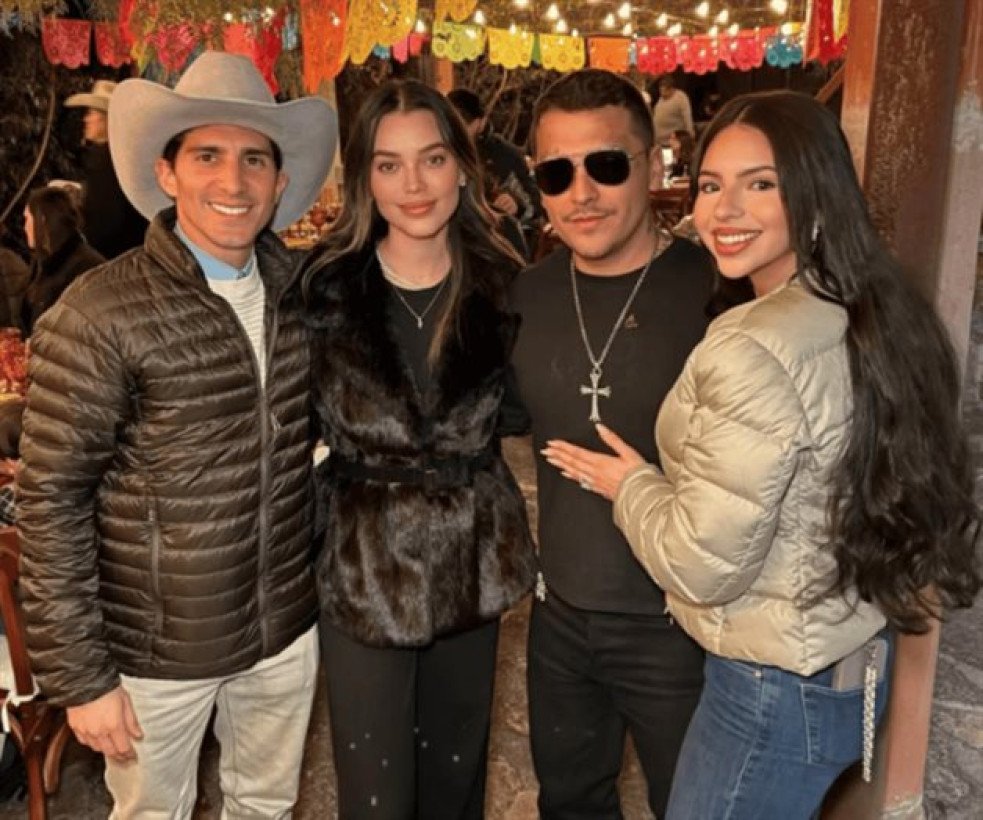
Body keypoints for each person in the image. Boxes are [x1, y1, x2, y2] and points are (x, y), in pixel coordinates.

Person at [540, 90, 981, 818]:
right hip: (840, 661)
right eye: (712, 185)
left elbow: (702, 563)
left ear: (814, 193)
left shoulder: (754, 345)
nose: (725, 210)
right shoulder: (861, 307)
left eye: (761, 184)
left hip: (769, 688)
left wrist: (632, 485)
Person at [17, 52, 338, 818]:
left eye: (254, 159)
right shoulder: (100, 313)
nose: (233, 181)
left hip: (282, 633)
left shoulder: (304, 299)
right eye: (207, 155)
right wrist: (82, 679)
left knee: (265, 806)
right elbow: (51, 502)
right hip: (155, 655)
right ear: (167, 173)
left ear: (280, 181)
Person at [301, 79, 536, 820]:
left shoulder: (506, 283)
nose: (413, 185)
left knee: (455, 784)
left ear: (462, 167)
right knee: (375, 793)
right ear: (365, 178)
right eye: (389, 164)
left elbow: (527, 409)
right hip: (360, 562)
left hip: (473, 557)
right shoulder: (323, 287)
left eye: (432, 159)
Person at [510, 68, 720, 819]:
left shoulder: (718, 291)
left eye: (605, 165)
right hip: (560, 614)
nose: (582, 194)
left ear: (651, 164)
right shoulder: (526, 295)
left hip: (681, 624)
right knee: (569, 803)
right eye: (556, 173)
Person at [447, 87, 544, 250]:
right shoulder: (435, 153)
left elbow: (536, 201)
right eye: (450, 125)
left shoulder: (504, 155)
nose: (456, 133)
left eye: (464, 124)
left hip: (495, 243)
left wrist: (516, 203)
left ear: (481, 122)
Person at [64, 79, 148, 259]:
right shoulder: (114, 155)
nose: (86, 119)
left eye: (92, 113)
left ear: (107, 119)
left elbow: (107, 221)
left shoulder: (109, 160)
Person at [19, 186, 104, 335]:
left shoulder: (86, 267)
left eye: (27, 219)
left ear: (42, 220)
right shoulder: (43, 262)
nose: (24, 227)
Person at [652, 75, 694, 147]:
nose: (662, 93)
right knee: (665, 154)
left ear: (671, 89)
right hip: (661, 141)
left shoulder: (680, 98)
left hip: (673, 142)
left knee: (670, 155)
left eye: (664, 91)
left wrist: (690, 133)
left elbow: (687, 116)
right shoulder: (661, 99)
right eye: (661, 91)